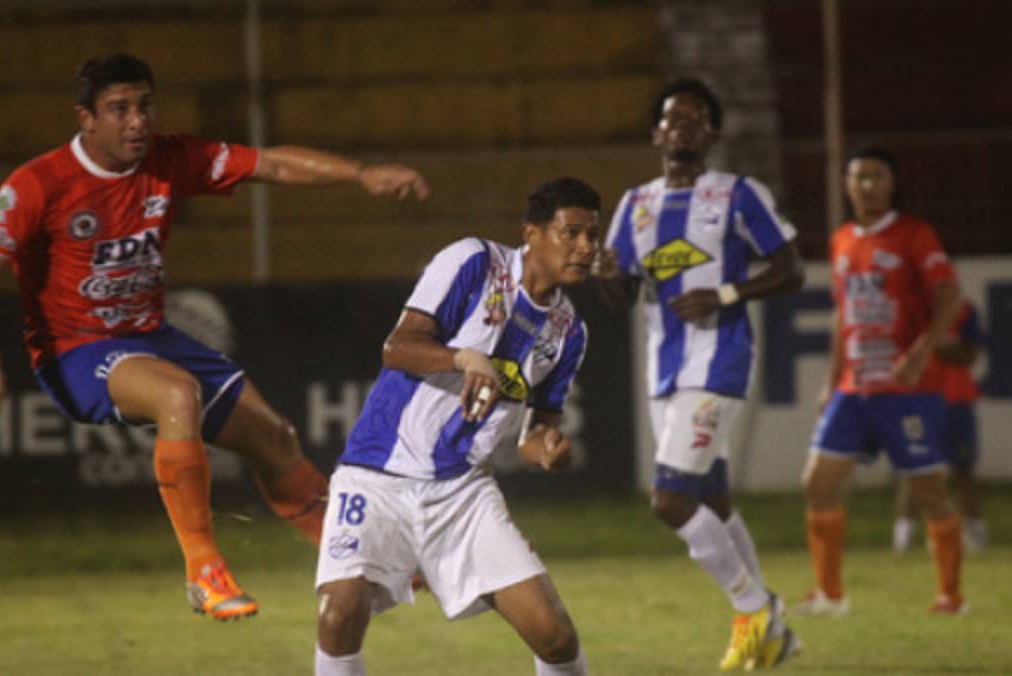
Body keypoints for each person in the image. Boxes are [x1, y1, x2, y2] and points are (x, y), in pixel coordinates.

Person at [0, 53, 429, 621]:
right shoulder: (40, 183)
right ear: (86, 119)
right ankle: (204, 571)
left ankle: (359, 566)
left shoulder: (171, 159)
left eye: (144, 106)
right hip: (76, 350)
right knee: (177, 394)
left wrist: (359, 174)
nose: (137, 121)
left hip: (151, 337)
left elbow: (270, 164)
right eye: (119, 109)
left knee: (274, 438)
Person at [314, 178, 598, 676]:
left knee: (554, 636)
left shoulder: (569, 331)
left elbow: (537, 432)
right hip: (378, 472)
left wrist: (549, 447)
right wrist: (466, 358)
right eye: (571, 233)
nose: (585, 248)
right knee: (340, 613)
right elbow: (397, 348)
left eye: (592, 237)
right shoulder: (474, 262)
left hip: (462, 492)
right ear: (531, 233)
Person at [594, 78, 804, 671]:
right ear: (656, 134)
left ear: (711, 134)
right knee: (711, 496)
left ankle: (755, 607)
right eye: (671, 118)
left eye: (694, 119)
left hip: (720, 361)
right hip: (665, 369)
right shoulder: (635, 205)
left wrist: (729, 291)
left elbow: (791, 270)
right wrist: (607, 274)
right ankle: (775, 631)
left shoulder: (738, 195)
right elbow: (622, 296)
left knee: (668, 499)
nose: (681, 126)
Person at [797, 144, 966, 616]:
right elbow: (841, 316)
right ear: (847, 185)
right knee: (817, 482)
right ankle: (831, 595)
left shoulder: (915, 234)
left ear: (891, 183)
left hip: (907, 389)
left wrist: (919, 351)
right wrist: (831, 382)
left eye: (875, 176)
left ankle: (951, 595)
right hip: (854, 388)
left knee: (930, 491)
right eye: (858, 177)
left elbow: (950, 295)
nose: (866, 185)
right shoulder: (842, 240)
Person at [892, 299, 987, 553]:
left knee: (963, 470)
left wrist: (928, 346)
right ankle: (902, 540)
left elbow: (969, 354)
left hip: (956, 399)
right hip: (918, 399)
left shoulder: (963, 310)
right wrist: (938, 347)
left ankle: (977, 537)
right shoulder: (908, 308)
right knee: (915, 471)